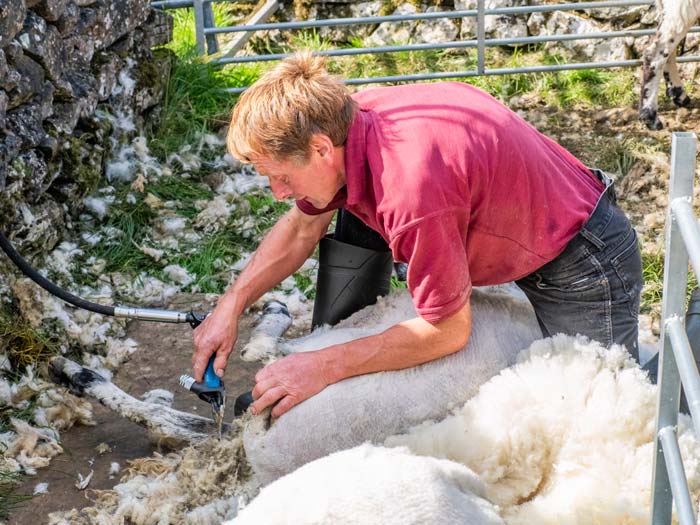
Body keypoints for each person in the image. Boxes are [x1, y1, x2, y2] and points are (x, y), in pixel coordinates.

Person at [191, 52, 643, 418]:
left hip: (582, 258)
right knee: (347, 209)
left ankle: (693, 354)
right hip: (516, 220)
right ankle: (334, 374)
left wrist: (322, 367)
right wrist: (229, 306)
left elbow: (447, 329)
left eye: (280, 177)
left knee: (604, 411)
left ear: (321, 149)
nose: (277, 192)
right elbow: (301, 227)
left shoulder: (409, 190)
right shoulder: (349, 123)